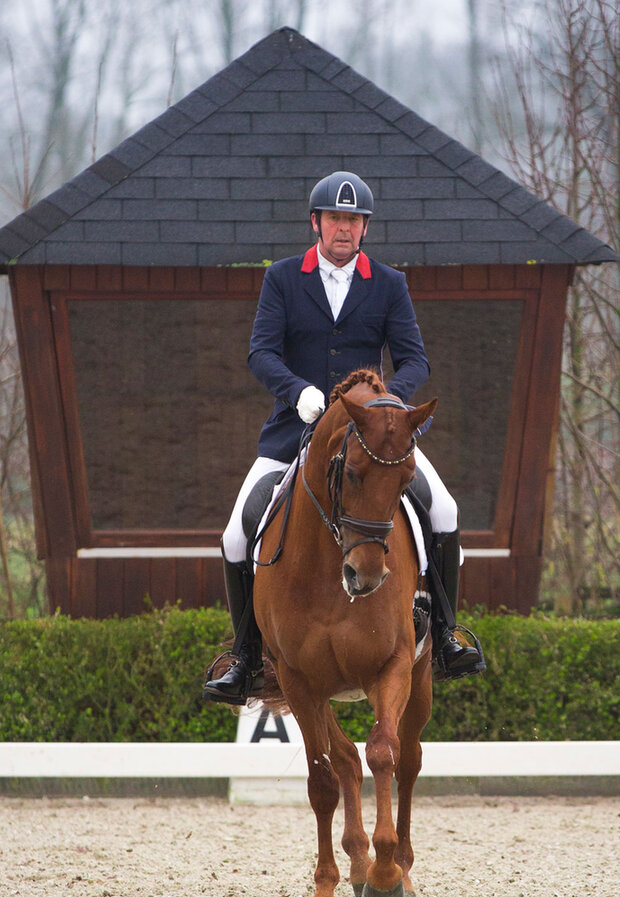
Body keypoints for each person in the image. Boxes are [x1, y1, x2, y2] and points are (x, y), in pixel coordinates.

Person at [204, 171, 486, 705]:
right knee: (236, 536)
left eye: (353, 221)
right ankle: (245, 657)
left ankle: (446, 636)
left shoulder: (389, 284)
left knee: (445, 510)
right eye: (335, 218)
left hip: (375, 439)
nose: (344, 228)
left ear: (364, 229)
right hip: (295, 431)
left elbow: (415, 360)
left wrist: (388, 408)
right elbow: (261, 353)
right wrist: (297, 392)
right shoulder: (283, 279)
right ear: (316, 223)